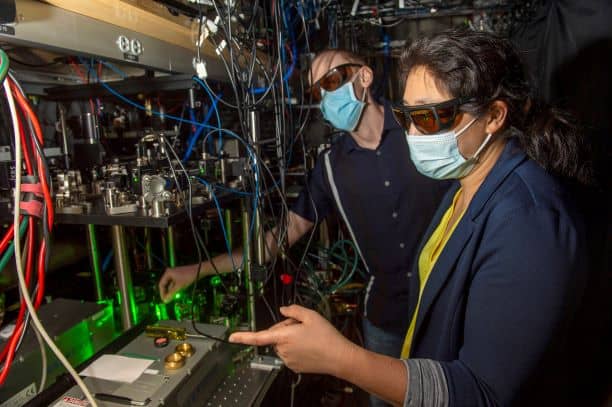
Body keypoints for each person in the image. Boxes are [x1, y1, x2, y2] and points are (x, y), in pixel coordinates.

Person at [229, 28, 593, 407]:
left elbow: (480, 393)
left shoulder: (527, 221)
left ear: (494, 116)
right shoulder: (462, 184)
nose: (416, 134)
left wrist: (340, 359)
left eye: (432, 117)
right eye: (408, 117)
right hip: (396, 324)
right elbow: (288, 229)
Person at [159, 49, 448, 405]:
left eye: (332, 81)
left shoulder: (420, 129)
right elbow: (279, 237)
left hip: (447, 308)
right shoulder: (330, 167)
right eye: (317, 91)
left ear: (365, 77)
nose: (326, 97)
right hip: (385, 320)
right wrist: (196, 270)